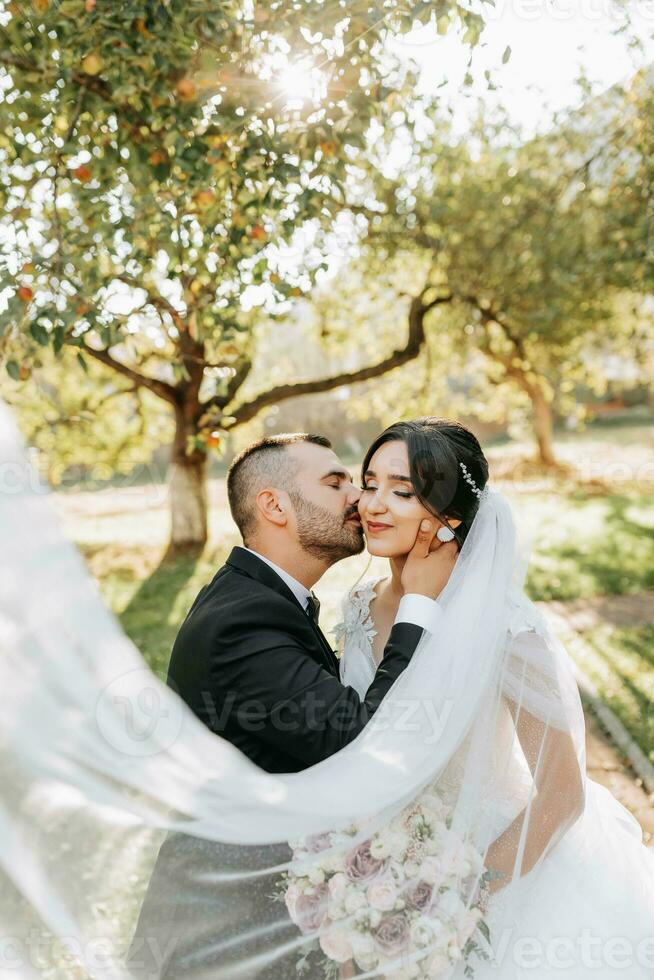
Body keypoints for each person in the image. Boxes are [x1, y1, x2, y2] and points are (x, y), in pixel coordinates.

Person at [331, 417, 654, 979]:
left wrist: (456, 901)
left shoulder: (505, 630)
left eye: (403, 491)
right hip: (374, 871)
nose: (375, 504)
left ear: (450, 517)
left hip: (496, 871)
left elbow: (561, 794)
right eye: (371, 482)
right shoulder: (357, 604)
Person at [129, 431, 458, 977]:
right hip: (228, 941)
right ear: (274, 505)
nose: (358, 497)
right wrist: (419, 605)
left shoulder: (265, 598)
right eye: (337, 483)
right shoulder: (242, 622)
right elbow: (361, 741)